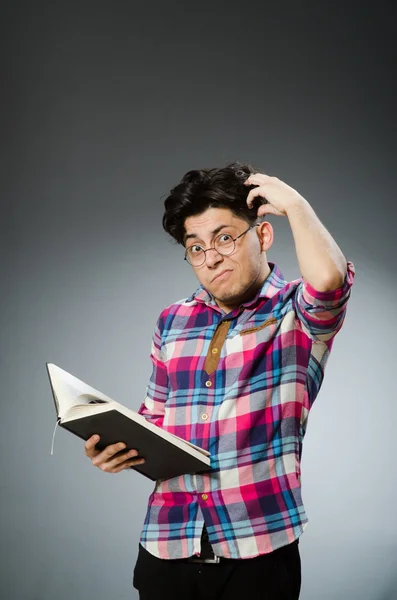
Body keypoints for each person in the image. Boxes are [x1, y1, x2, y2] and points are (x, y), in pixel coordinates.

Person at [85, 163, 355, 600]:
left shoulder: (296, 313)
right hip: (166, 545)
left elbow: (328, 281)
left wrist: (295, 205)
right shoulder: (173, 321)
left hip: (258, 552)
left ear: (262, 236)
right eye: (195, 247)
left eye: (225, 238)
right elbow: (155, 418)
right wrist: (119, 445)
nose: (210, 257)